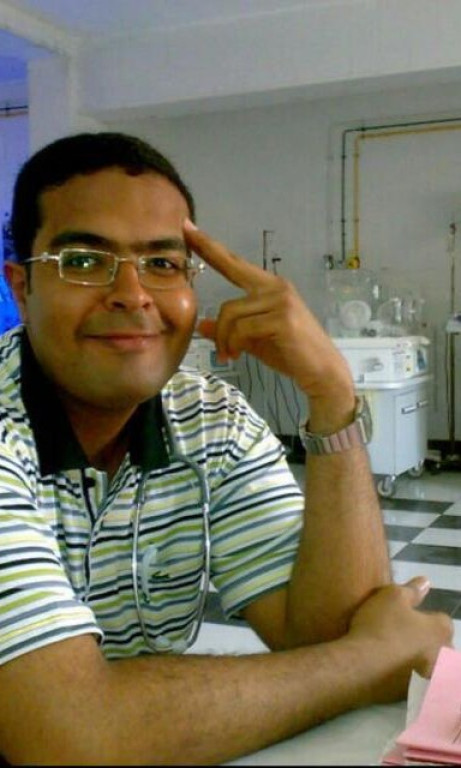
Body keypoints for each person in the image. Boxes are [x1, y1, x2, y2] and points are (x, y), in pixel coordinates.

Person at [0, 131, 452, 766]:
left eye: (162, 264)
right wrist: (372, 658)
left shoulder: (210, 418)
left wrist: (331, 393)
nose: (132, 294)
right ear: (21, 287)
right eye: (82, 261)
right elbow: (67, 734)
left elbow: (327, 634)